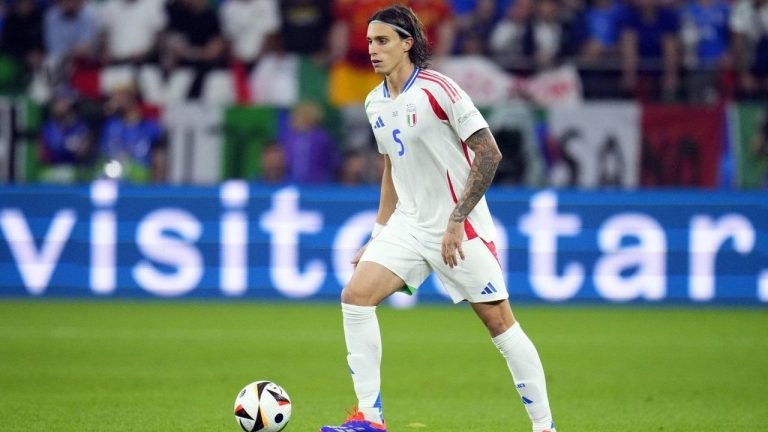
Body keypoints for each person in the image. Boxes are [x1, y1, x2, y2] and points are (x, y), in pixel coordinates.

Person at [320, 5, 556, 432]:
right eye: (370, 41)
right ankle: (370, 419)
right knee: (355, 297)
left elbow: (489, 152)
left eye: (383, 41)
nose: (373, 50)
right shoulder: (375, 102)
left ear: (407, 43)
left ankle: (544, 427)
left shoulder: (438, 88)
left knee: (500, 325)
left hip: (458, 228)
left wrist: (456, 219)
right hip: (409, 226)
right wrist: (378, 234)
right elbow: (392, 167)